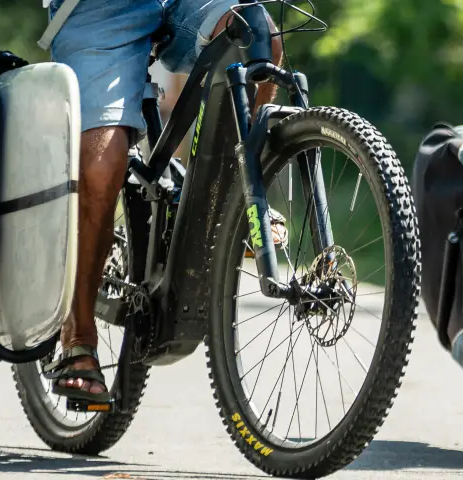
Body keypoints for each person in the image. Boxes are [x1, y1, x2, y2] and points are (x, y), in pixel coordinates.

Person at [36, 0, 284, 403]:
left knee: (261, 36)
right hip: (100, 10)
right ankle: (77, 336)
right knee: (102, 166)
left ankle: (235, 202)